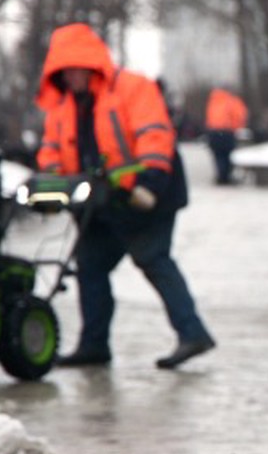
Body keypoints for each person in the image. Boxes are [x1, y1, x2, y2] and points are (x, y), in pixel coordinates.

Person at [33, 22, 216, 370]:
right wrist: (51, 188)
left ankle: (193, 334)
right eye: (64, 71)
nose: (70, 77)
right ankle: (94, 345)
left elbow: (154, 135)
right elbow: (52, 152)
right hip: (102, 202)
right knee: (90, 266)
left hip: (148, 196)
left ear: (90, 66)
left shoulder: (131, 88)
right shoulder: (64, 107)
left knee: (153, 259)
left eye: (75, 69)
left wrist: (149, 183)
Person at [203, 86, 249, 186]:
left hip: (213, 132)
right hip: (227, 131)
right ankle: (225, 176)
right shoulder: (231, 101)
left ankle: (221, 175)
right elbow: (240, 115)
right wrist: (236, 127)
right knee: (227, 155)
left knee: (218, 155)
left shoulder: (213, 101)